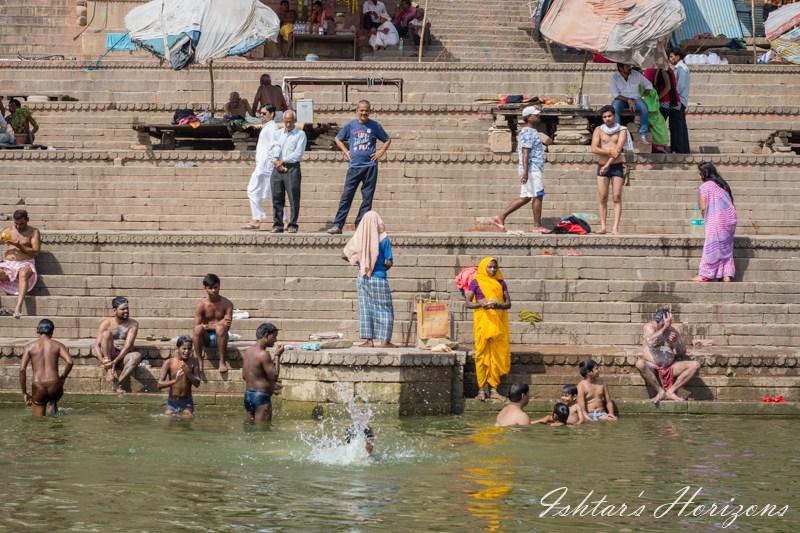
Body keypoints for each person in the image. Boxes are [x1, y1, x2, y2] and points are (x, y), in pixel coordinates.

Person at [328, 100, 391, 234]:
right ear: (357, 111)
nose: (364, 113)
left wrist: (381, 151)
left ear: (369, 111)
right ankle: (338, 225)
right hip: (354, 166)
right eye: (361, 110)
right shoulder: (351, 125)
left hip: (370, 167)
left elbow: (387, 139)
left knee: (367, 198)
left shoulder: (375, 126)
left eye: (366, 110)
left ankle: (360, 225)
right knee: (346, 196)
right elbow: (338, 139)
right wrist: (345, 151)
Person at [491, 106, 548, 234]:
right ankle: (537, 225)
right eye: (535, 115)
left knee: (526, 197)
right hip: (532, 169)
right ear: (528, 118)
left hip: (533, 168)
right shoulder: (528, 132)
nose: (538, 117)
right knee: (538, 196)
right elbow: (525, 152)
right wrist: (526, 172)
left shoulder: (531, 131)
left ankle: (500, 217)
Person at [343, 211, 395, 348]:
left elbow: (345, 254)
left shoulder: (359, 238)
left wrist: (361, 262)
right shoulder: (384, 239)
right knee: (385, 309)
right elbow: (388, 261)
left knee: (365, 308)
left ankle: (369, 341)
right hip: (379, 278)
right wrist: (381, 267)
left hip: (363, 278)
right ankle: (385, 341)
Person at [465, 257, 511, 402]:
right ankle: (481, 390)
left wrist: (497, 305)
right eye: (489, 267)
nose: (492, 270)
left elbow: (508, 304)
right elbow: (467, 303)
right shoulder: (476, 282)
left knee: (495, 357)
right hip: (482, 324)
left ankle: (494, 390)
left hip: (497, 325)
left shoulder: (501, 282)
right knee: (482, 356)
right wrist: (481, 305)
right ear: (484, 268)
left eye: (494, 268)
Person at [637, 309, 700, 404]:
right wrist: (664, 329)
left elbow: (682, 351)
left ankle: (671, 391)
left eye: (668, 323)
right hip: (652, 366)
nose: (667, 325)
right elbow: (650, 342)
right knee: (640, 363)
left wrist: (675, 342)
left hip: (670, 366)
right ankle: (660, 391)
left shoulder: (673, 330)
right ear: (657, 322)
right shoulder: (649, 327)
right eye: (663, 324)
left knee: (695, 365)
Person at [590, 105, 632, 235]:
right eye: (604, 117)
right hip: (601, 166)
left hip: (616, 166)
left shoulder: (622, 130)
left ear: (614, 116)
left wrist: (608, 164)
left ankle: (615, 227)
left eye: (609, 116)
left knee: (616, 197)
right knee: (602, 197)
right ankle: (603, 226)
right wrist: (608, 151)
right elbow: (594, 148)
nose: (607, 119)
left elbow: (618, 150)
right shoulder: (598, 130)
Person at [19, 319, 73, 417]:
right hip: (54, 385)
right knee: (53, 411)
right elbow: (70, 362)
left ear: (38, 331)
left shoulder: (30, 347)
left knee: (39, 422)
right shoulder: (57, 345)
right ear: (51, 332)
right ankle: (52, 405)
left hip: (38, 386)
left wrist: (24, 392)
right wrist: (63, 377)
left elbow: (22, 369)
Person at [694, 162, 737, 282]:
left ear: (704, 173)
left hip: (717, 219)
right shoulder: (723, 185)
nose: (699, 175)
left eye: (700, 173)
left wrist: (705, 217)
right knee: (726, 248)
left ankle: (706, 274)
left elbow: (703, 207)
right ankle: (727, 275)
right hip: (730, 219)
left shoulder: (705, 186)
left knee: (712, 246)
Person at [92, 297, 143, 393]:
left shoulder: (133, 324)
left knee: (136, 356)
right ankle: (108, 370)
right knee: (106, 334)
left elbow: (127, 346)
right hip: (109, 354)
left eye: (127, 308)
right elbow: (97, 345)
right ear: (114, 311)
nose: (126, 311)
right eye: (123, 309)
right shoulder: (106, 323)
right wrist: (103, 361)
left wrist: (115, 362)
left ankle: (118, 384)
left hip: (124, 355)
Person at [242, 105, 280, 230]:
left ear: (272, 114)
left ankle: (257, 218)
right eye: (260, 113)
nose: (261, 116)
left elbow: (276, 146)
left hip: (265, 166)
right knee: (269, 194)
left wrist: (271, 162)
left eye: (264, 113)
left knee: (253, 190)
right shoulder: (267, 127)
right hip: (263, 165)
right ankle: (282, 219)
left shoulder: (272, 128)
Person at [270, 110, 307, 234]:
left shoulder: (300, 134)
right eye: (286, 121)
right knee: (277, 197)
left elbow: (298, 154)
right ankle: (278, 224)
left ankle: (293, 224)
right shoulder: (278, 133)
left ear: (294, 121)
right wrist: (276, 161)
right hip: (277, 168)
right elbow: (272, 148)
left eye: (290, 121)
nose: (288, 124)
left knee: (293, 197)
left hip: (292, 168)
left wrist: (283, 161)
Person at [0, 209, 41, 319]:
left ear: (27, 220)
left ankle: (18, 308)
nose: (18, 226)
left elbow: (36, 251)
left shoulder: (33, 232)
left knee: (23, 273)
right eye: (16, 224)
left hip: (25, 262)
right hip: (8, 264)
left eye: (22, 224)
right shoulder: (8, 230)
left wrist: (19, 246)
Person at [241, 322, 284, 422]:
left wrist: (267, 384)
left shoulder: (247, 352)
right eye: (274, 336)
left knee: (249, 432)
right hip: (261, 398)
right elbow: (274, 376)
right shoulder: (263, 354)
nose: (275, 340)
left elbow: (244, 376)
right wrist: (277, 355)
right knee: (262, 433)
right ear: (266, 336)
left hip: (248, 396)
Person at [192, 273, 234, 373]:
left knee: (220, 329)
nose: (214, 290)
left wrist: (207, 326)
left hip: (221, 336)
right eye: (210, 288)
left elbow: (226, 326)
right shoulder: (201, 305)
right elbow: (196, 326)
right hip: (206, 338)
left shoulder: (227, 304)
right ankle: (199, 360)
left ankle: (222, 361)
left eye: (215, 287)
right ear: (205, 288)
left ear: (219, 286)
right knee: (197, 330)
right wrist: (217, 324)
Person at [610, 63, 654, 144]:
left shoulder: (636, 74)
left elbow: (649, 85)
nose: (630, 68)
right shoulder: (615, 77)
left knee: (644, 108)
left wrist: (642, 97)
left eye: (630, 66)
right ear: (620, 68)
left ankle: (643, 134)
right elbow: (615, 94)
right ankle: (617, 133)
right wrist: (629, 100)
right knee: (615, 107)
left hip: (636, 99)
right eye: (627, 66)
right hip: (621, 100)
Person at [158, 335, 201, 417]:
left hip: (187, 403)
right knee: (168, 418)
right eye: (184, 348)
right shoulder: (169, 362)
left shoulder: (194, 362)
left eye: (189, 349)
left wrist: (188, 373)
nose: (187, 351)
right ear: (178, 348)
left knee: (187, 417)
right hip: (172, 402)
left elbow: (197, 383)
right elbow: (159, 385)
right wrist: (174, 381)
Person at [667, 48, 691, 153]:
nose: (670, 58)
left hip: (678, 101)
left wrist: (671, 97)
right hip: (678, 100)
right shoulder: (679, 67)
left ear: (677, 57)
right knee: (678, 125)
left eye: (672, 56)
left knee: (676, 125)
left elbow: (679, 87)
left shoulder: (681, 68)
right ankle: (682, 148)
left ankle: (678, 149)